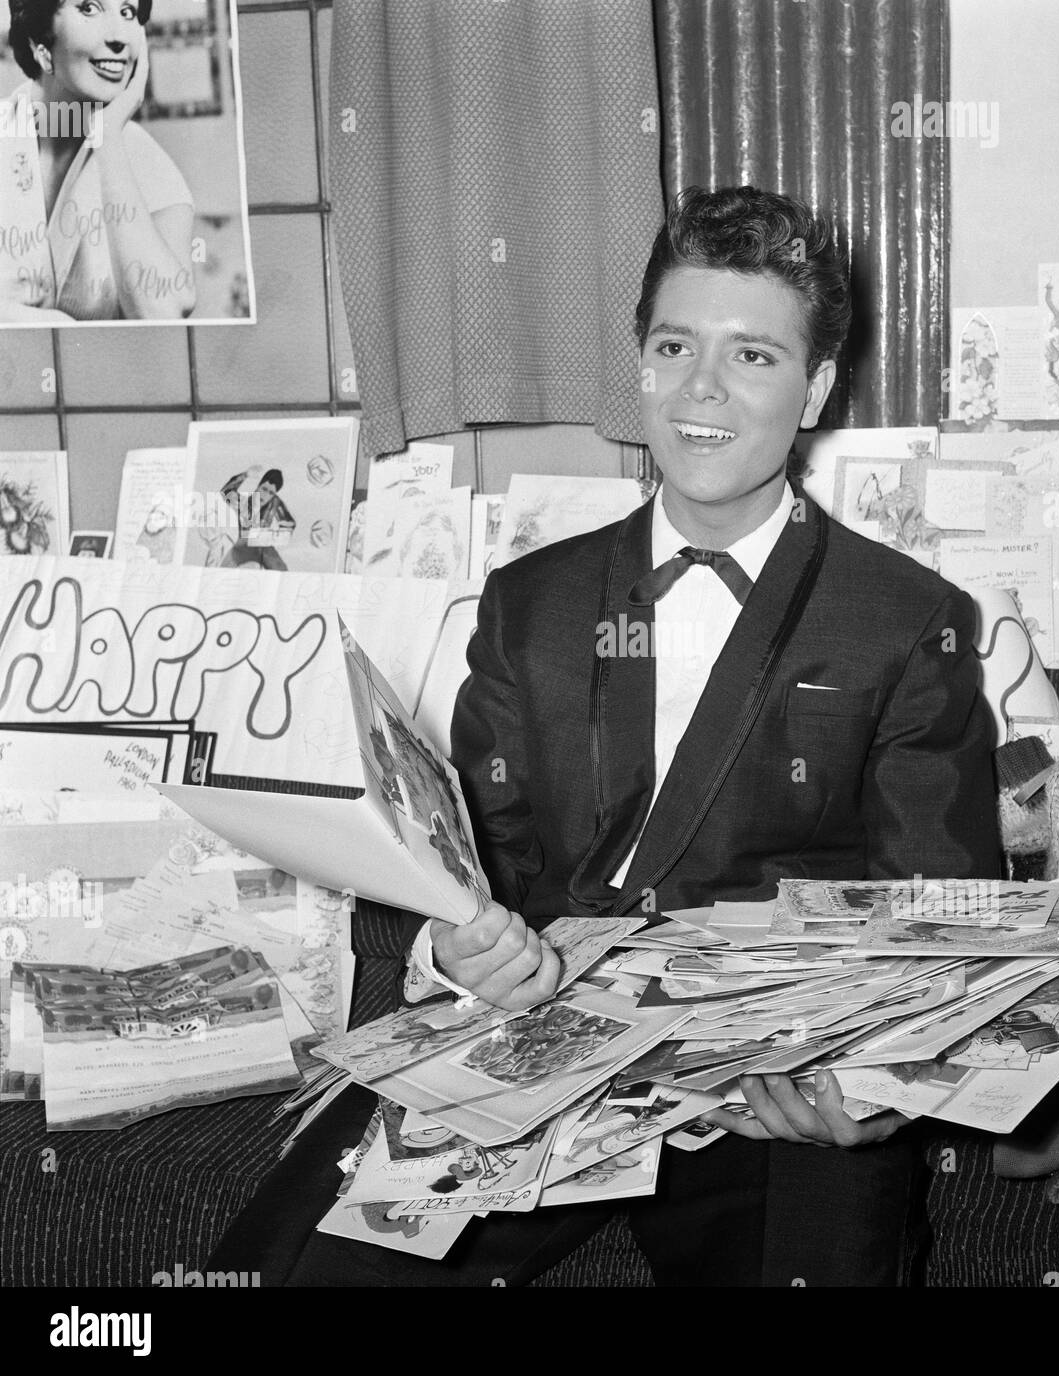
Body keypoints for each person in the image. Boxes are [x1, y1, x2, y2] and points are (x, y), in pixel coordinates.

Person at [208, 185, 1000, 1287]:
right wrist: (458, 950)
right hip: (541, 1042)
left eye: (753, 357)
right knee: (303, 1271)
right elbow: (466, 868)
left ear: (814, 387)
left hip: (776, 1089)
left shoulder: (906, 619)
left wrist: (877, 1084)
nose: (702, 390)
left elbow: (937, 921)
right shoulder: (528, 603)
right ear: (639, 361)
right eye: (674, 345)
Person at [1, 0, 195, 321]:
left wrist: (109, 138)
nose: (119, 37)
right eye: (89, 8)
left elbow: (163, 316)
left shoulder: (154, 170)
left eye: (128, 12)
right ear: (39, 35)